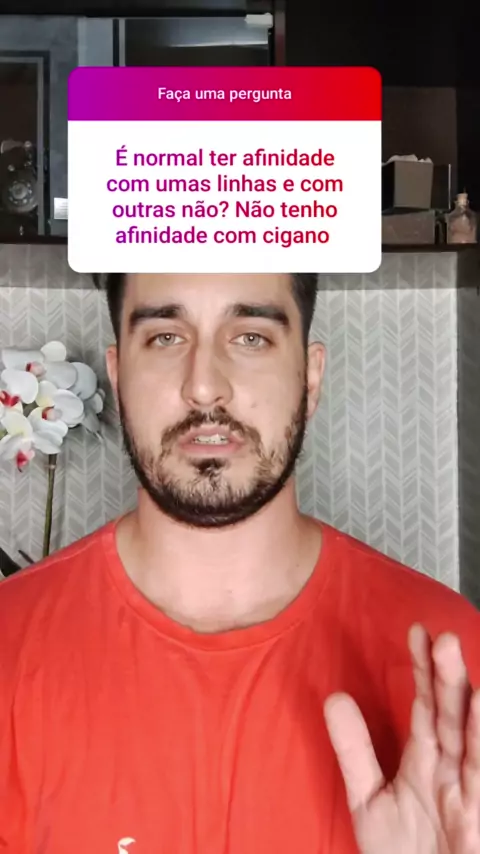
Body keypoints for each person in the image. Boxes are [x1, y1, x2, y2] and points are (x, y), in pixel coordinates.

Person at [0, 272, 479, 854]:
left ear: (311, 376)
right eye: (165, 337)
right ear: (118, 375)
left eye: (251, 337)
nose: (205, 387)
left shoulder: (452, 662)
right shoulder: (10, 641)